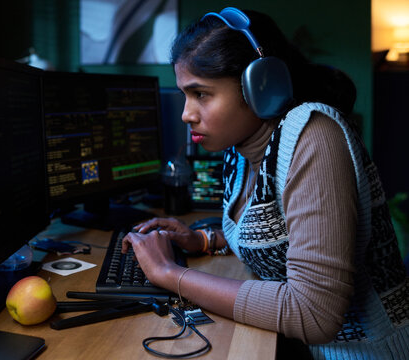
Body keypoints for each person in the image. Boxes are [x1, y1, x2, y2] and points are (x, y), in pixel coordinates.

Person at [122, 6, 409, 359]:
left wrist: (170, 273)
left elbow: (315, 314)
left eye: (201, 94)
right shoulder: (242, 149)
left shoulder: (313, 137)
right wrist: (203, 239)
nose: (186, 113)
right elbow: (288, 234)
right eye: (185, 94)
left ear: (259, 86)